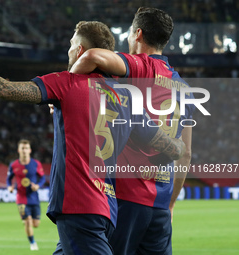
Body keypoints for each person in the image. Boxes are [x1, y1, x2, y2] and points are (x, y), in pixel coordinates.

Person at [0, 21, 185, 255]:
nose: (68, 52)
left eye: (71, 45)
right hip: (108, 210)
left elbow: (5, 89)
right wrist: (179, 144)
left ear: (80, 51)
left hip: (80, 207)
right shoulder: (128, 100)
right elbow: (169, 146)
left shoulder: (66, 84)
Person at [70, 8, 195, 255]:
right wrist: (170, 205)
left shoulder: (140, 66)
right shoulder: (185, 90)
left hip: (127, 198)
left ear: (137, 34)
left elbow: (93, 55)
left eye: (129, 32)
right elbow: (186, 154)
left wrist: (67, 92)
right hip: (160, 206)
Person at [6, 139, 45, 251]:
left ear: (30, 150)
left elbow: (42, 178)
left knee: (36, 224)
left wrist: (37, 186)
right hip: (21, 197)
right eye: (22, 148)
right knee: (28, 221)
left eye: (26, 148)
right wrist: (9, 186)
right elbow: (8, 179)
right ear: (18, 150)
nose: (24, 150)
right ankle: (32, 243)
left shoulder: (36, 164)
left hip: (34, 197)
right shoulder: (13, 165)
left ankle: (26, 220)